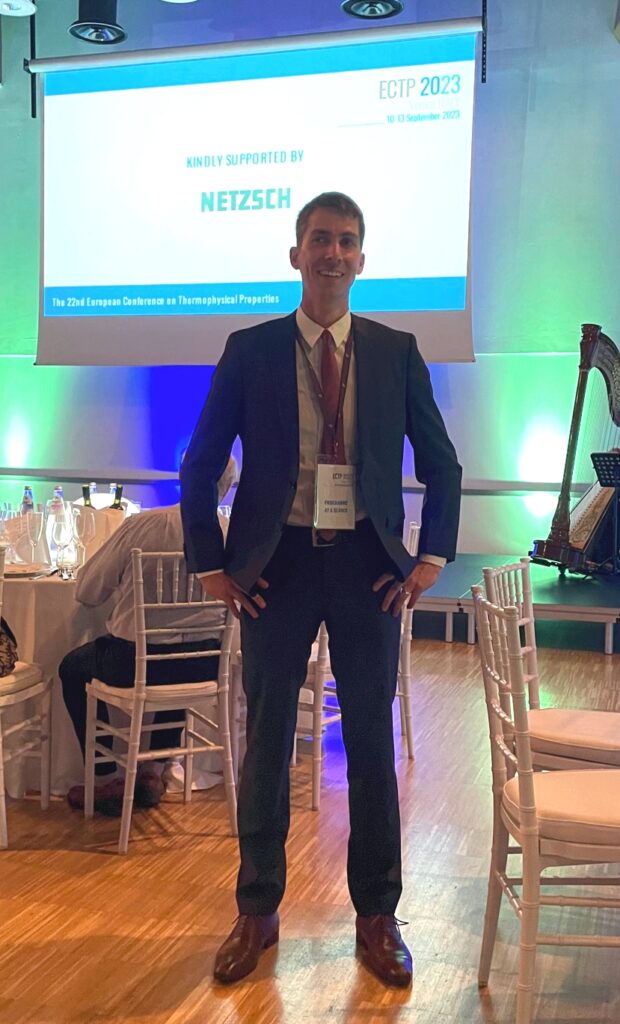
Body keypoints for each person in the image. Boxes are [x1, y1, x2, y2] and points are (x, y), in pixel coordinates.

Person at [181, 192, 462, 987]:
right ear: (295, 254)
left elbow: (441, 464)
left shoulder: (396, 350)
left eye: (346, 242)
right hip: (278, 569)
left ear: (361, 260)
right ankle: (257, 909)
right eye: (318, 240)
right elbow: (199, 465)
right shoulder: (251, 349)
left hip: (370, 568)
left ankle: (376, 915)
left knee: (371, 743)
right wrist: (213, 564)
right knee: (267, 743)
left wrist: (430, 556)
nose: (332, 253)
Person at [60, 458, 237, 818]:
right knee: (175, 655)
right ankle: (153, 772)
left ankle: (105, 776)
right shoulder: (234, 535)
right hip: (206, 665)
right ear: (227, 486)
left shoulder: (144, 525)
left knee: (72, 667)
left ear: (184, 475)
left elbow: (88, 591)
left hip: (132, 664)